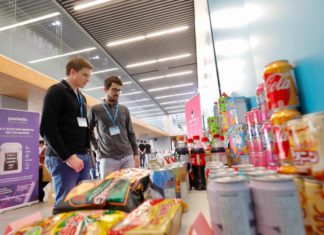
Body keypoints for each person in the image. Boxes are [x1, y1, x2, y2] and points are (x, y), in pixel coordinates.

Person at [40, 57, 93, 212]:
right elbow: (47, 129)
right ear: (72, 72)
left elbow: (82, 126)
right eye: (85, 75)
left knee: (82, 203)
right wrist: (68, 157)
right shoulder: (56, 91)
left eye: (89, 76)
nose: (88, 79)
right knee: (65, 206)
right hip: (63, 158)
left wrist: (87, 151)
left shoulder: (81, 97)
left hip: (82, 155)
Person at [88, 75, 140, 178]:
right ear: (106, 89)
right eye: (114, 90)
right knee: (109, 189)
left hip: (127, 156)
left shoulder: (124, 109)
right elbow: (88, 131)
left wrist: (136, 154)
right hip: (107, 158)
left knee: (129, 187)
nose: (117, 93)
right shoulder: (95, 109)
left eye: (119, 90)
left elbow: (131, 133)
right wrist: (96, 149)